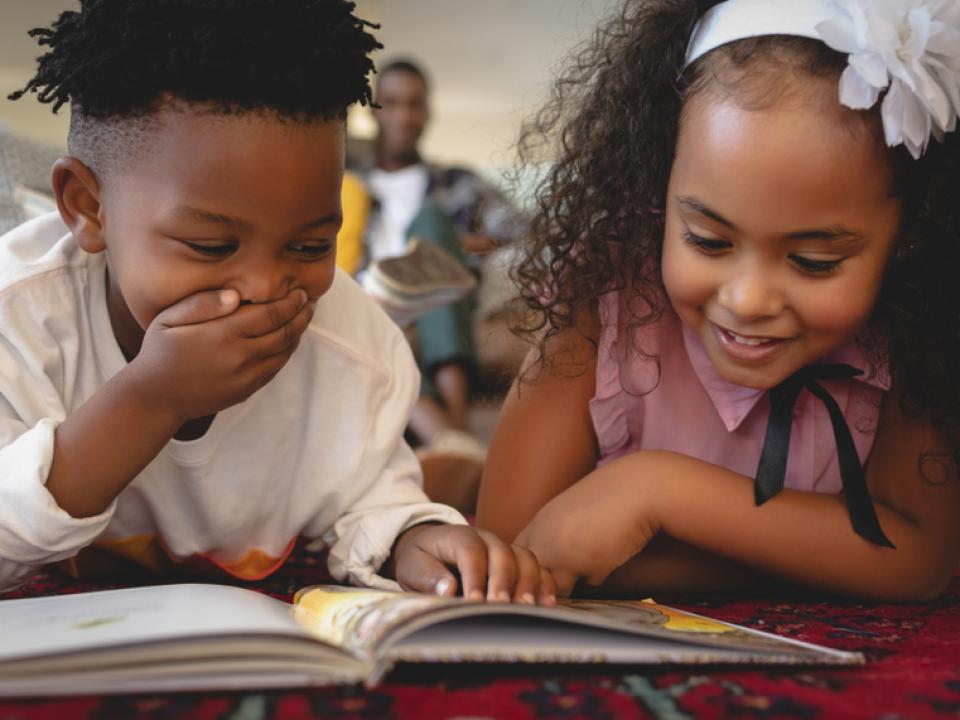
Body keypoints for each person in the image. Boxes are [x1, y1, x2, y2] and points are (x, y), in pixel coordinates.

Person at [0, 0, 556, 606]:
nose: (266, 285)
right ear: (87, 206)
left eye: (309, 245)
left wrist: (418, 540)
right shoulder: (19, 325)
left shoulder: (355, 350)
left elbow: (375, 504)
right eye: (212, 246)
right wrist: (152, 397)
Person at [477, 0, 960, 601]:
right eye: (707, 240)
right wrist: (824, 559)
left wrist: (658, 493)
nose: (749, 299)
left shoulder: (921, 328)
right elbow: (510, 549)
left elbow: (921, 562)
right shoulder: (603, 299)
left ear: (914, 231)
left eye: (814, 262)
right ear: (659, 183)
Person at [347, 58, 529, 512]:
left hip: (445, 299)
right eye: (391, 104)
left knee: (430, 225)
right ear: (373, 110)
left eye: (414, 105)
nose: (404, 116)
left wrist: (452, 242)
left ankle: (451, 430)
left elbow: (523, 229)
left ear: (427, 112)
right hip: (374, 301)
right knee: (364, 318)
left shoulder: (456, 183)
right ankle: (455, 439)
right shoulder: (347, 183)